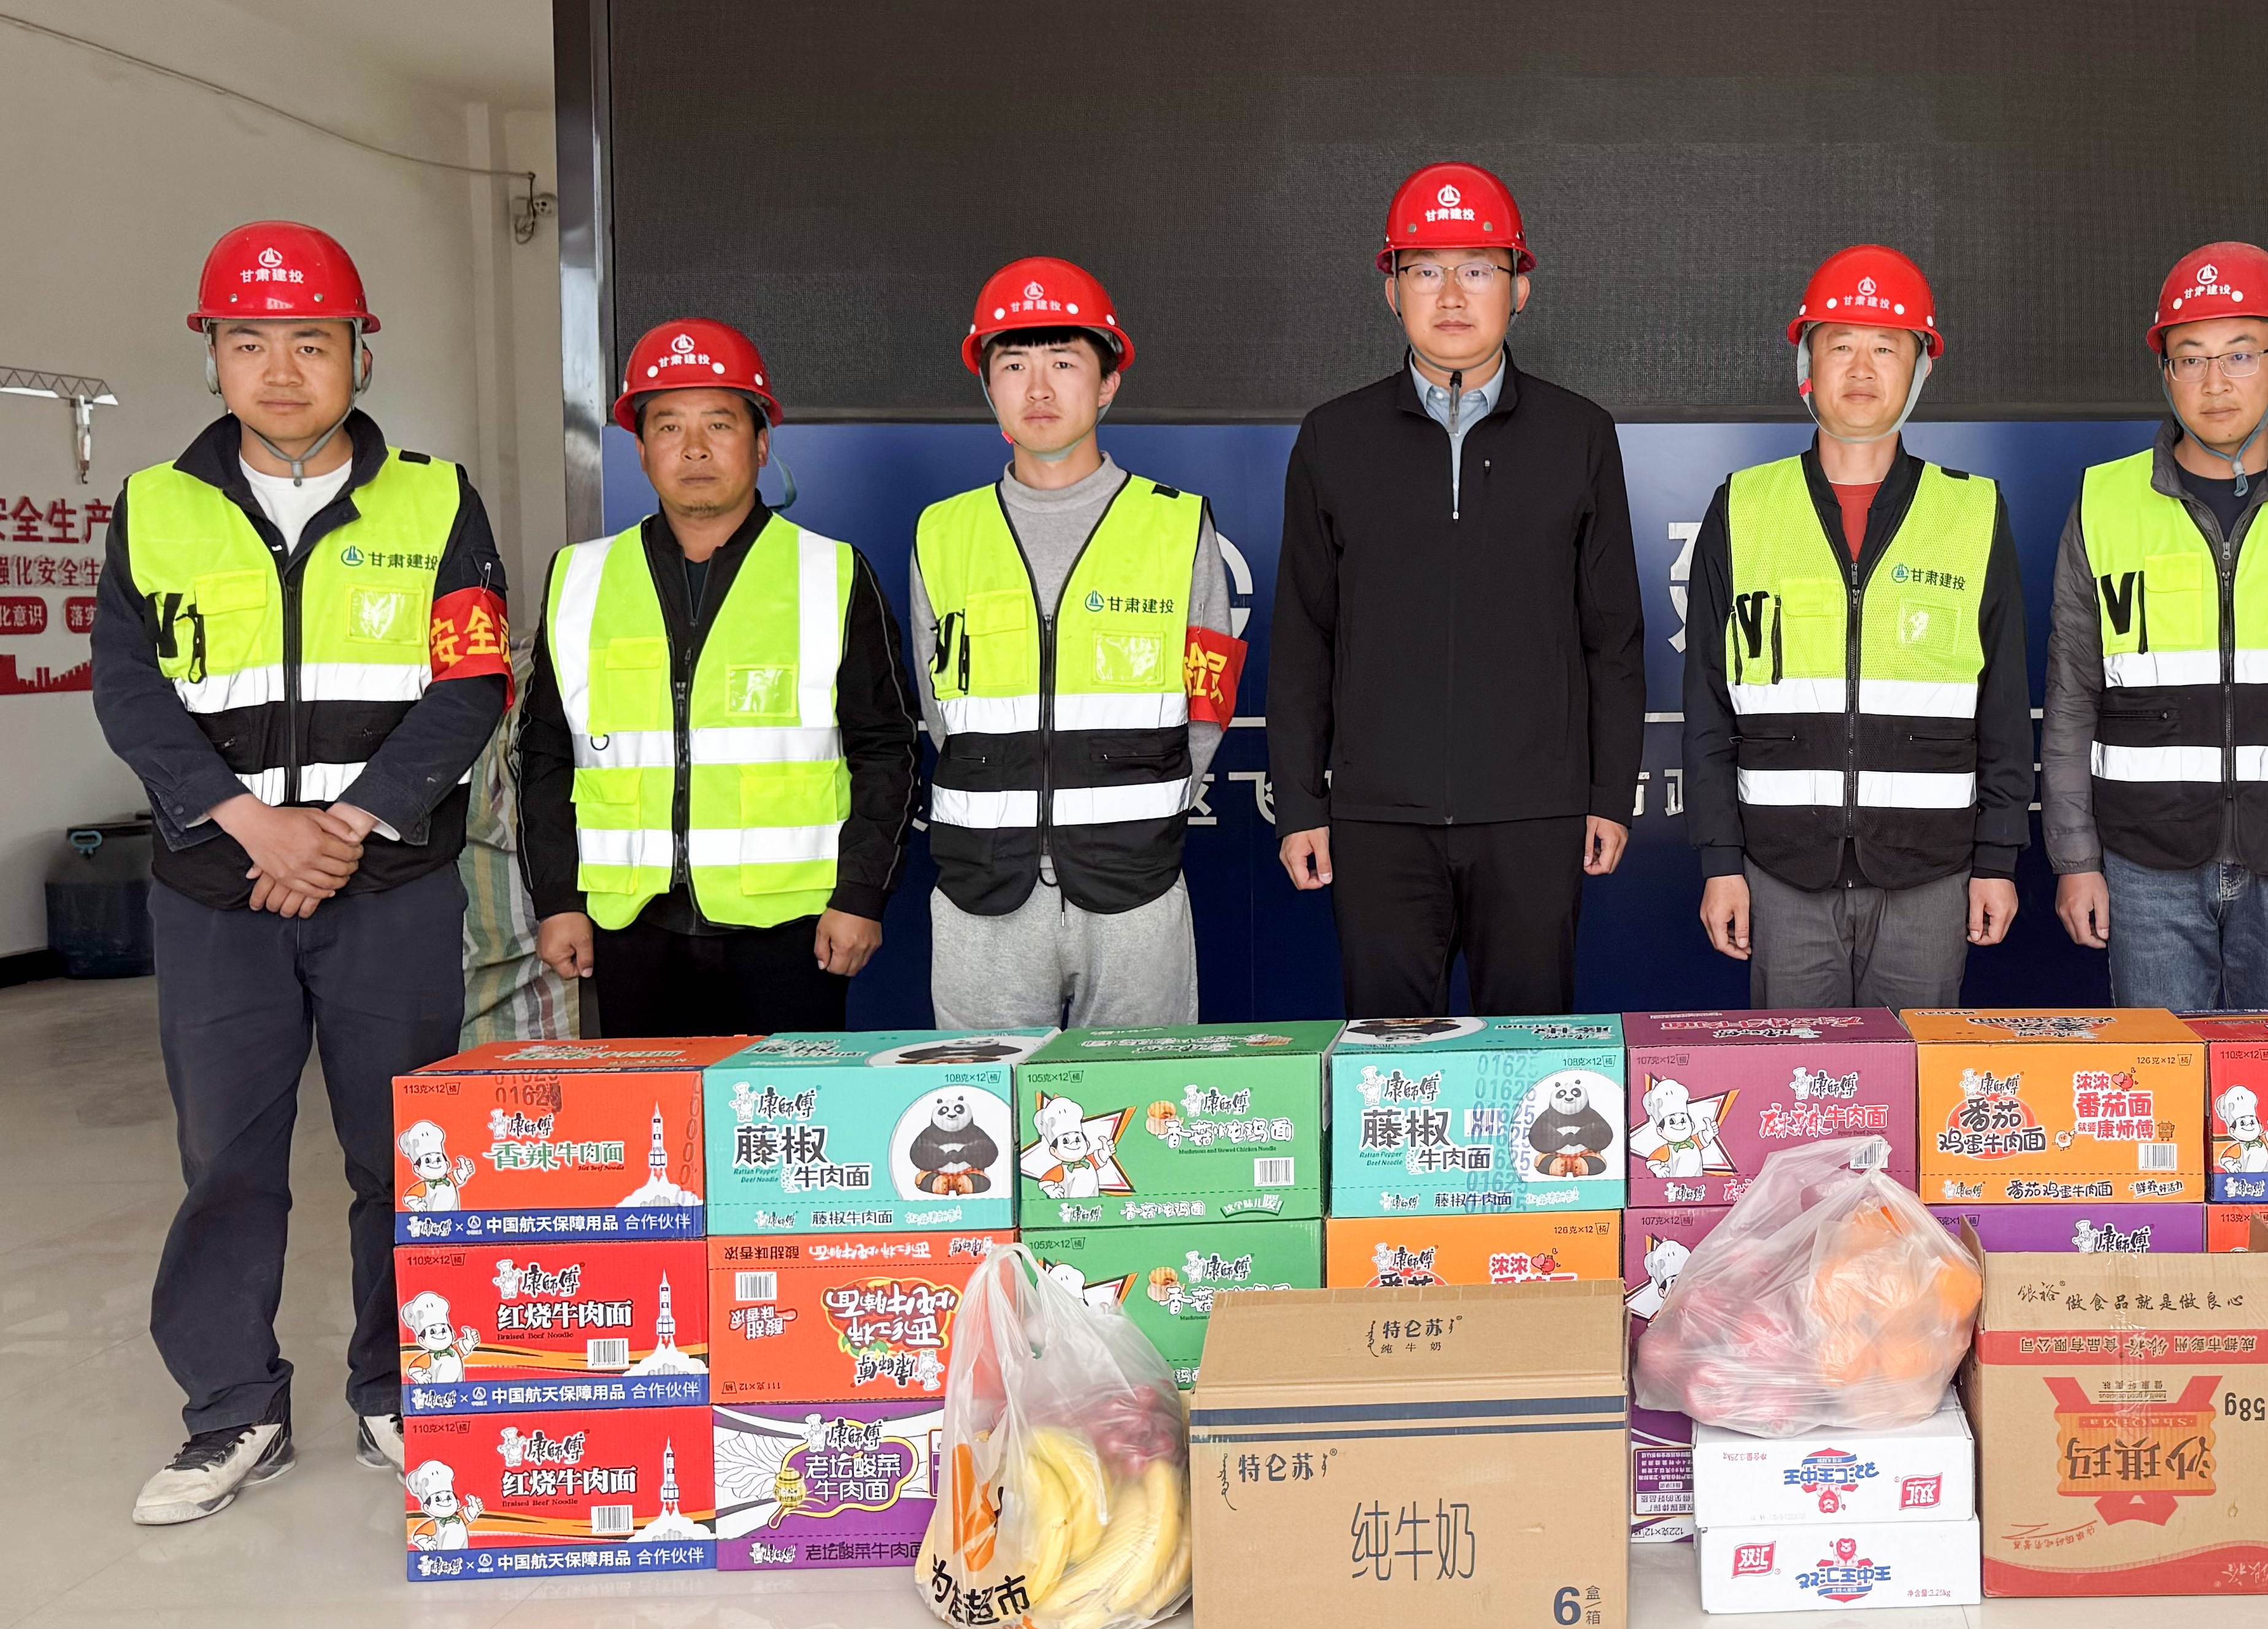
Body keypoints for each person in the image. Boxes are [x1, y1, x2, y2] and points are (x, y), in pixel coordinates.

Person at [91, 221, 512, 1522]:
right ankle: (233, 1411)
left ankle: (399, 1383)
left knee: (405, 1153)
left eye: (311, 342)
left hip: (386, 887)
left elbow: (470, 682)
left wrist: (347, 824)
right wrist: (244, 822)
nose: (281, 369)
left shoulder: (436, 501)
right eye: (250, 341)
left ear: (359, 354)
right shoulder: (155, 508)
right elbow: (130, 690)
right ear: (212, 356)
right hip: (216, 895)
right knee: (227, 1156)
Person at [1268, 161, 1647, 1014]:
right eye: (1424, 270)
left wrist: (1608, 796)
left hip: (1534, 816)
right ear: (1391, 290)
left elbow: (1613, 638)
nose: (1450, 294)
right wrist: (1300, 805)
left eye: (1477, 269)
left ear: (1519, 289)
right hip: (1378, 821)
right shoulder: (1334, 438)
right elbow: (1302, 637)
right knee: (1390, 1066)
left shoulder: (1579, 435)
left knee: (1527, 1061)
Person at [517, 318, 917, 1036]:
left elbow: (887, 747)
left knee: (788, 1111)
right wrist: (557, 900)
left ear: (761, 443)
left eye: (720, 424)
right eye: (669, 426)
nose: (694, 448)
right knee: (650, 1112)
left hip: (794, 931)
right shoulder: (580, 577)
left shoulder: (830, 572)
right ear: (641, 450)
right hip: (630, 931)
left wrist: (861, 895)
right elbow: (545, 755)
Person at [2043, 242, 2268, 1012]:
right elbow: (2071, 698)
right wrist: (2075, 859)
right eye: (2191, 358)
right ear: (2165, 371)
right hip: (2144, 859)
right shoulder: (2106, 502)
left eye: (2240, 355)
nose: (2215, 383)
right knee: (2160, 1077)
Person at [1680, 245, 2030, 1007]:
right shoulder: (1744, 507)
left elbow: (2004, 705)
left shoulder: (1971, 513)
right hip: (1781, 872)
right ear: (1807, 364)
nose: (1863, 369)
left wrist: (1997, 859)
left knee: (1913, 1069)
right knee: (1797, 1075)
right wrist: (1720, 861)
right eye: (1840, 345)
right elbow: (1708, 704)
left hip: (1931, 873)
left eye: (1886, 348)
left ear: (1920, 369)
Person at [907, 258, 1243, 1028]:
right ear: (987, 387)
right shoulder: (943, 531)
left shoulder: (1176, 523)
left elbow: (1210, 699)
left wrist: (1143, 816)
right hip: (982, 893)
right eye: (1013, 365)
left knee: (1138, 1095)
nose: (1038, 389)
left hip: (1135, 888)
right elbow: (940, 707)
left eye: (1063, 363)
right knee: (981, 1098)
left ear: (1108, 382)